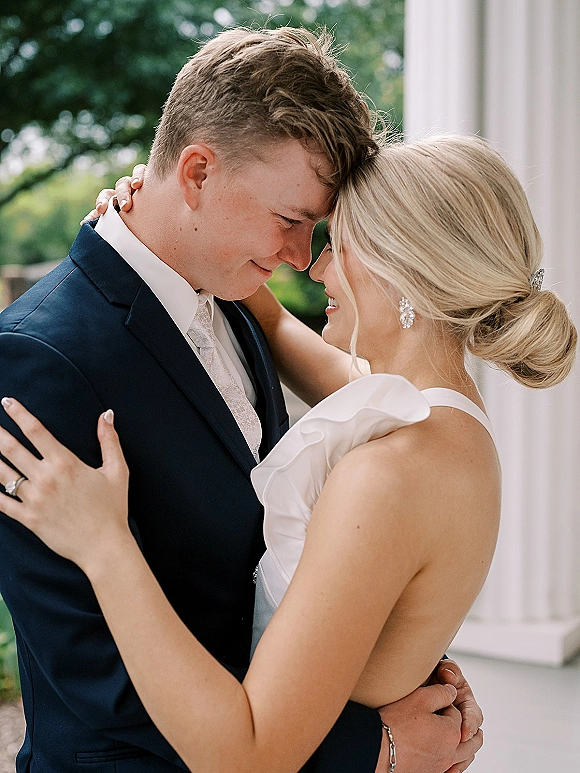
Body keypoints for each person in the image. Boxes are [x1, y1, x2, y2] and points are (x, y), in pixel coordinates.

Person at [2, 133, 576, 772]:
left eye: (339, 244)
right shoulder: (444, 417)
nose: (316, 266)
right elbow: (276, 326)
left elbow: (248, 757)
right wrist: (169, 230)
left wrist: (104, 544)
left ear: (406, 270)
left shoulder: (387, 477)